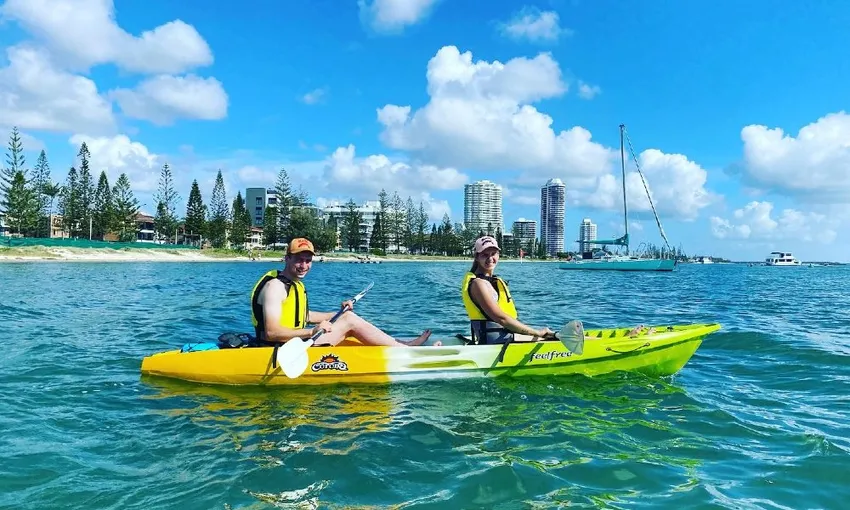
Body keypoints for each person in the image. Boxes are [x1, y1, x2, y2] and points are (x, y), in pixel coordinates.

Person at [250, 237, 435, 347]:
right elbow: (271, 333)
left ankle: (399, 344)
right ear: (287, 258)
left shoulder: (294, 283)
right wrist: (311, 332)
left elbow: (302, 316)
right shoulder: (275, 287)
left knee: (346, 319)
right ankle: (406, 349)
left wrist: (335, 314)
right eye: (299, 260)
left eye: (308, 260)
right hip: (282, 348)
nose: (304, 266)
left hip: (294, 342)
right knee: (350, 322)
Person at [461, 236, 555, 345]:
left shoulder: (491, 281)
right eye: (485, 255)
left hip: (504, 337)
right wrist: (537, 333)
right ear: (477, 257)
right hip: (495, 342)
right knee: (550, 340)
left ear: (498, 255)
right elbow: (502, 319)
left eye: (493, 254)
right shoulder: (478, 284)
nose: (490, 258)